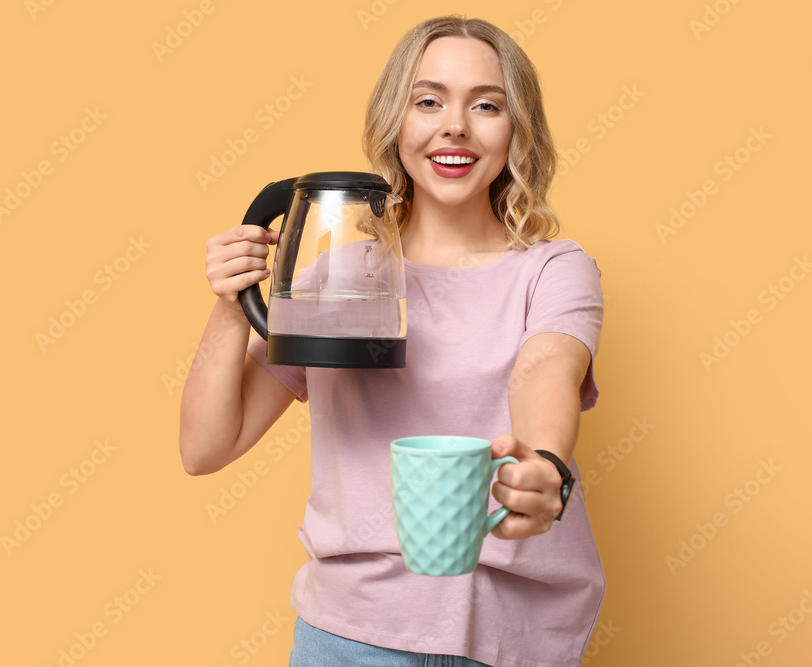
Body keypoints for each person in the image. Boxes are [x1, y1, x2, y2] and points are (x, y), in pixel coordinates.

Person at [180, 15, 605, 667]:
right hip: (351, 638)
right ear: (395, 123)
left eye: (486, 105)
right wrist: (233, 304)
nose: (454, 126)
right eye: (427, 100)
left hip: (516, 640)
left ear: (516, 128)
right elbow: (206, 447)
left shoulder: (553, 267)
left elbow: (545, 365)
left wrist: (543, 463)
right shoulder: (338, 281)